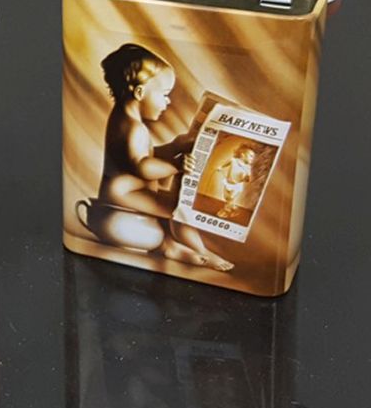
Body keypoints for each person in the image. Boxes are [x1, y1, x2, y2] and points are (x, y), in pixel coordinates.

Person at [98, 44, 233, 271]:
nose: (168, 102)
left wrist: (174, 146)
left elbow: (144, 156)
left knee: (167, 206)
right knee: (179, 209)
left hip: (127, 194)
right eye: (164, 95)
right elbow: (142, 167)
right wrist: (176, 165)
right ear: (140, 93)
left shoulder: (123, 120)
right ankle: (201, 252)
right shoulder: (134, 128)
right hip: (123, 200)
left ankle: (173, 248)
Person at [215, 144, 255, 219]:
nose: (252, 159)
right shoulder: (233, 160)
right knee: (226, 197)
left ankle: (225, 211)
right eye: (251, 156)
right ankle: (234, 208)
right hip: (228, 183)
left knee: (230, 198)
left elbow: (248, 180)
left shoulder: (247, 167)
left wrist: (247, 176)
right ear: (243, 155)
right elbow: (227, 163)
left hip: (237, 185)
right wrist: (221, 167)